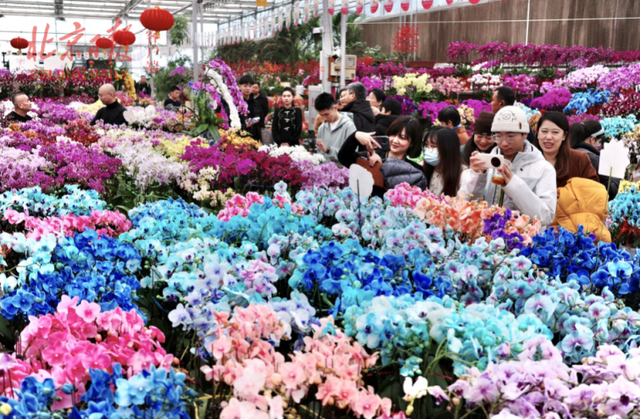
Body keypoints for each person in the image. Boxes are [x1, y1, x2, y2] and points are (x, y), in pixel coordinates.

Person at [461, 106, 557, 228]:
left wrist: (513, 184)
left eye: (510, 136)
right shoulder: (488, 162)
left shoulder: (543, 169)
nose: (504, 143)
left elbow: (546, 216)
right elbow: (465, 203)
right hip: (487, 238)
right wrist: (477, 175)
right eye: (498, 136)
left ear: (525, 134)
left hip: (522, 241)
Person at [338, 116, 427, 193]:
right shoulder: (371, 156)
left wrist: (381, 166)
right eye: (393, 135)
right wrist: (355, 136)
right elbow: (344, 157)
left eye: (402, 138)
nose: (395, 140)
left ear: (412, 143)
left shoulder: (415, 170)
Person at [533, 111, 599, 188]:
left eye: (555, 132)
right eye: (544, 131)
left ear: (564, 136)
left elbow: (594, 190)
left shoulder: (580, 159)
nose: (548, 137)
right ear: (537, 133)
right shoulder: (527, 160)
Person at [569, 120, 620, 200]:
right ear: (592, 140)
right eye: (599, 142)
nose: (598, 145)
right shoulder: (593, 159)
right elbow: (609, 191)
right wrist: (615, 172)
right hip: (587, 208)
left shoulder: (565, 155)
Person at [423, 127, 469, 197]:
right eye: (426, 145)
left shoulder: (463, 175)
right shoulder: (422, 169)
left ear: (448, 149)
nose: (428, 149)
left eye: (433, 146)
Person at [315, 92, 356, 163]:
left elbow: (352, 155)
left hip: (343, 172)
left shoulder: (349, 126)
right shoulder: (322, 128)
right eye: (321, 115)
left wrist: (328, 150)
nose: (324, 118)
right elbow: (320, 153)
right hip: (324, 172)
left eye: (326, 114)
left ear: (335, 108)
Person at [238, 75, 263, 141]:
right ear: (240, 86)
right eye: (245, 86)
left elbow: (261, 117)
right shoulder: (235, 103)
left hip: (255, 137)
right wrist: (244, 126)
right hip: (239, 138)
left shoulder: (256, 103)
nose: (248, 88)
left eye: (250, 86)